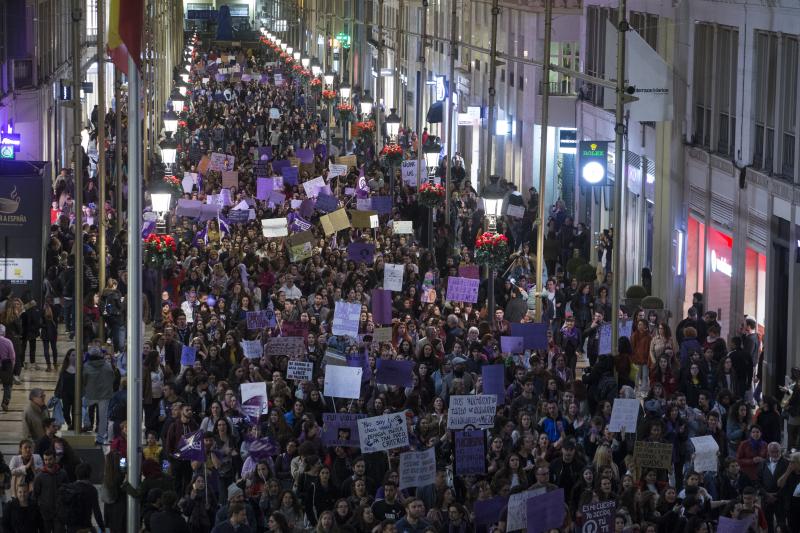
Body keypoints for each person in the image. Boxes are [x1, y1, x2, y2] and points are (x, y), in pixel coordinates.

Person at [82, 346, 115, 445]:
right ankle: (100, 438)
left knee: (81, 405)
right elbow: (112, 377)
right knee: (103, 417)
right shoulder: (107, 365)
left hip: (91, 394)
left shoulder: (86, 366)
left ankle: (87, 420)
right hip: (104, 395)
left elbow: (83, 381)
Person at [32, 447, 69, 533]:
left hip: (59, 513)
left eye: (50, 459)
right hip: (45, 514)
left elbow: (67, 491)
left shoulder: (63, 474)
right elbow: (35, 495)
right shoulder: (39, 477)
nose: (48, 462)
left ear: (55, 459)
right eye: (45, 460)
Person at [0, 323, 16, 411]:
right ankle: (5, 402)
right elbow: (12, 356)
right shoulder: (8, 342)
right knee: (7, 385)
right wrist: (12, 366)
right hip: (6, 365)